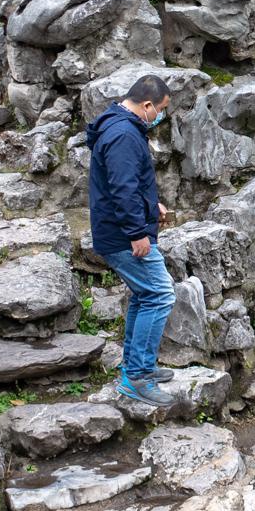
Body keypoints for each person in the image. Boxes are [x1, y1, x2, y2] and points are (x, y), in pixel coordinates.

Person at [87, 74, 182, 406]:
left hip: (119, 228)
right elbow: (121, 187)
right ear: (146, 105)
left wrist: (149, 204)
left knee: (145, 295)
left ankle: (137, 368)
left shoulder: (118, 126)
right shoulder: (125, 135)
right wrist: (136, 232)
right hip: (123, 235)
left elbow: (124, 181)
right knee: (160, 295)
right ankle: (137, 379)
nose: (160, 115)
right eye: (161, 109)